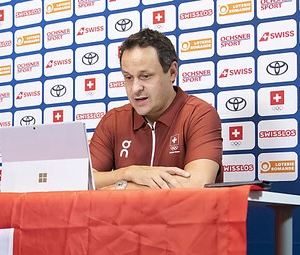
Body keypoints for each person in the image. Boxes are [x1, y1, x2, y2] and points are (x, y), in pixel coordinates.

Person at [90, 29, 223, 190]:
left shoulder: (199, 114)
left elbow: (196, 184)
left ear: (172, 72)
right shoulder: (113, 120)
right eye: (128, 77)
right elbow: (85, 180)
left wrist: (121, 188)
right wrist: (129, 173)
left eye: (145, 76)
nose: (135, 88)